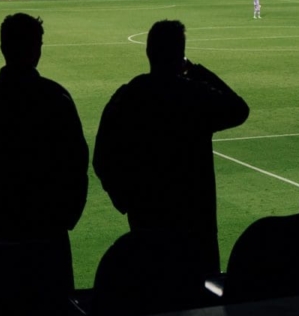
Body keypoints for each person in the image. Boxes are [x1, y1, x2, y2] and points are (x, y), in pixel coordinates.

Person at [93, 20, 251, 275]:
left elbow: (102, 157)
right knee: (199, 290)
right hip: (195, 219)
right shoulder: (195, 94)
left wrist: (126, 201)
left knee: (152, 285)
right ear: (180, 56)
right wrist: (196, 70)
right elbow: (239, 109)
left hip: (147, 217)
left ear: (148, 52)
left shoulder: (128, 95)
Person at [0, 13, 89, 296]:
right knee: (54, 313)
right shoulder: (57, 98)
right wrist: (67, 218)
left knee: (4, 313)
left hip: (0, 234)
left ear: (3, 48)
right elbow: (77, 165)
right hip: (50, 235)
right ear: (38, 49)